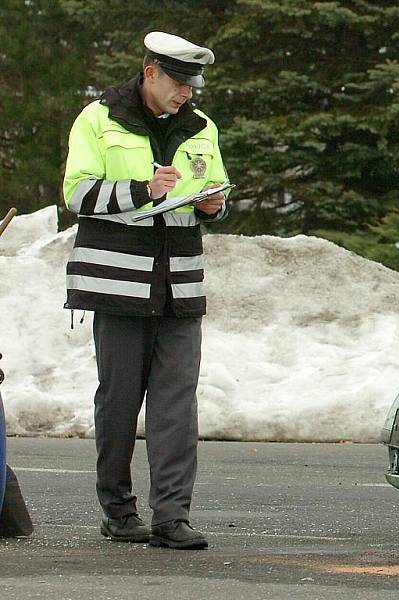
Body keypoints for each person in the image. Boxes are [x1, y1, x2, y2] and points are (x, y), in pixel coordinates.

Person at [62, 32, 229, 550]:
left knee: (177, 403)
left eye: (193, 84)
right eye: (179, 83)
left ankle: (172, 517)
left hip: (180, 285)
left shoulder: (201, 127)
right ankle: (116, 509)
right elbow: (75, 192)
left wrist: (212, 205)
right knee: (119, 401)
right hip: (118, 286)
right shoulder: (98, 118)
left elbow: (215, 189)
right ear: (150, 72)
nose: (187, 94)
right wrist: (141, 190)